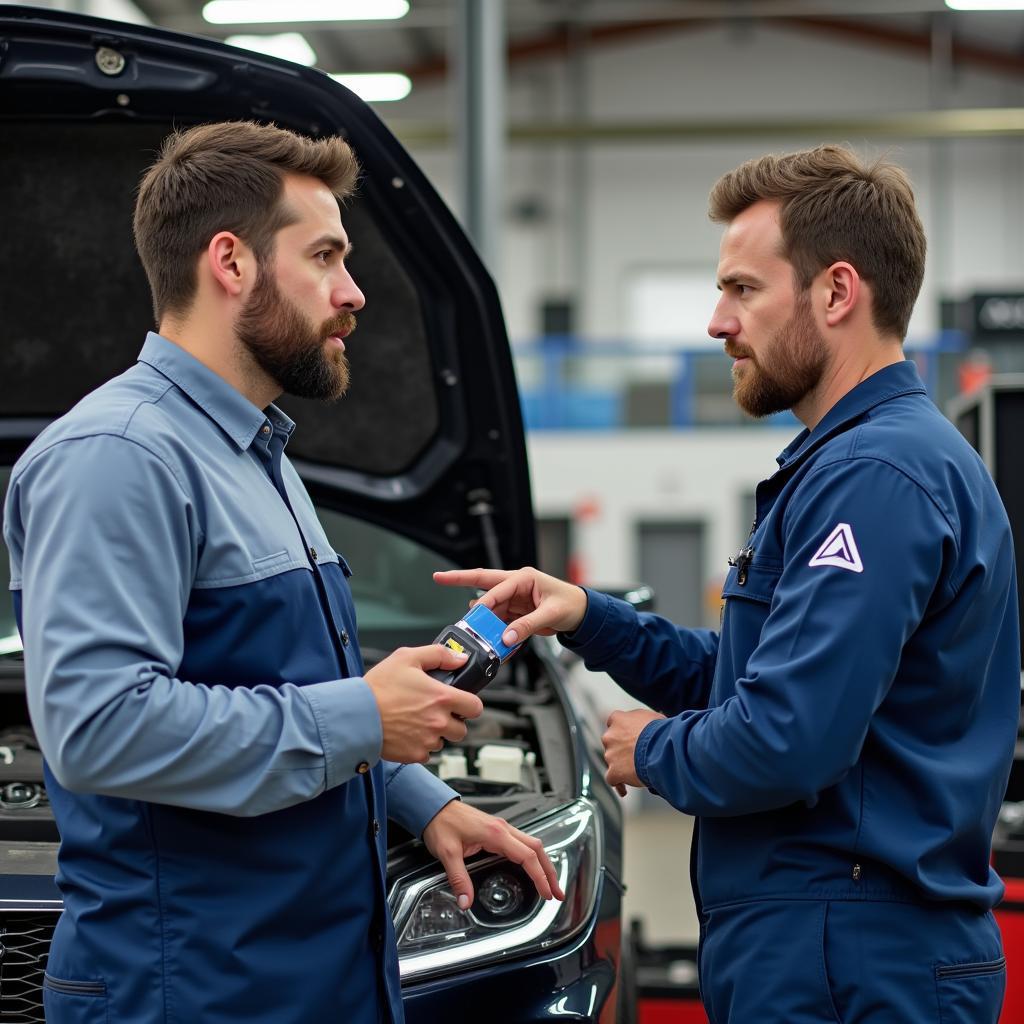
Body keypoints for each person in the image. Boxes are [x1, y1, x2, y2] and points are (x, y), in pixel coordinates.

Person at [436, 145, 1020, 1023]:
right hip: (837, 944)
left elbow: (789, 737)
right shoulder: (858, 465)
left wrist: (653, 750)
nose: (717, 322)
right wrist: (591, 619)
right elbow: (759, 677)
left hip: (851, 956)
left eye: (743, 289)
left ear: (835, 293)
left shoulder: (876, 476)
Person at [3, 120, 562, 1024]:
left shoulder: (259, 455)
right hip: (187, 989)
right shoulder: (119, 458)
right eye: (328, 256)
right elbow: (97, 728)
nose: (354, 292)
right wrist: (366, 715)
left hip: (306, 976)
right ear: (231, 262)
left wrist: (418, 799)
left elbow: (281, 689)